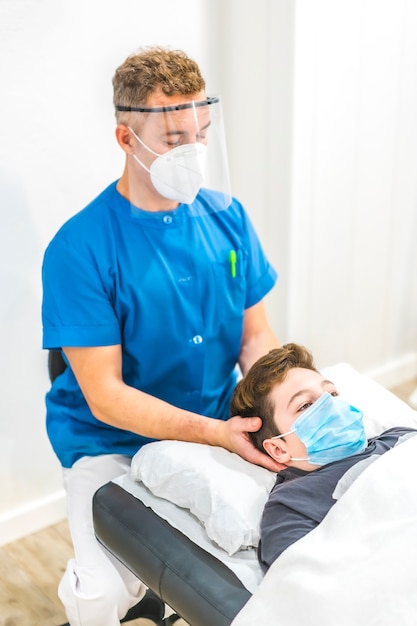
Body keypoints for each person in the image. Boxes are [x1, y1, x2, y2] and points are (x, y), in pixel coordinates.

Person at [41, 46, 280, 626]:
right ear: (126, 139)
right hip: (109, 443)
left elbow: (255, 341)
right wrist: (217, 435)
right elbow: (107, 396)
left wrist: (291, 395)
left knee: (266, 558)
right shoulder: (80, 249)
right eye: (174, 139)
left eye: (201, 133)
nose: (193, 153)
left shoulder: (229, 218)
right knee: (101, 595)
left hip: (218, 422)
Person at [230, 343, 417, 573]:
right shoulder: (292, 506)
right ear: (278, 449)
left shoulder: (397, 437)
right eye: (306, 405)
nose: (331, 405)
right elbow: (302, 585)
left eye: (331, 393)